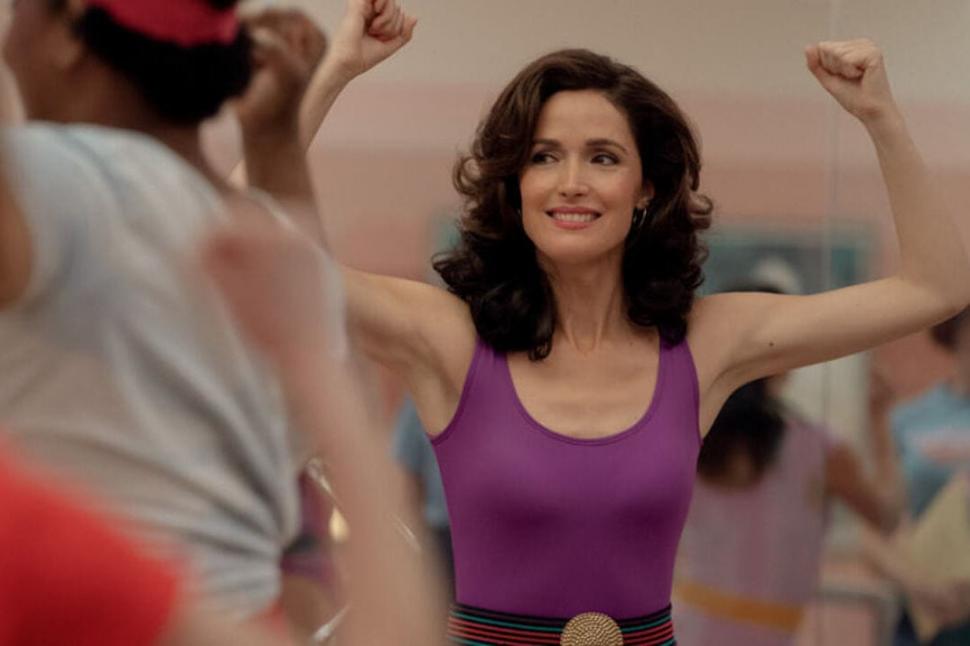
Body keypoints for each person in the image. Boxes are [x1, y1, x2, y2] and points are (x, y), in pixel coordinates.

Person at [274, 2, 970, 641]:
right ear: (516, 185)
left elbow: (935, 287)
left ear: (645, 189)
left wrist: (882, 118)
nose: (571, 181)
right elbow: (248, 243)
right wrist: (334, 72)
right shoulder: (451, 339)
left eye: (602, 157)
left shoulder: (707, 343)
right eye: (544, 157)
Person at [0, 0, 400, 619]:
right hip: (245, 617)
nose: (7, 44)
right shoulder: (282, 251)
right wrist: (275, 135)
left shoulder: (56, 179)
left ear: (70, 29)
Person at [674, 333, 904, 645]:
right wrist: (880, 421)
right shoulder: (818, 450)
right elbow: (887, 515)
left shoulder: (690, 442)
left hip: (689, 631)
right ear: (783, 364)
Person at [864, 309, 970, 645]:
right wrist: (920, 586)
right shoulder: (907, 419)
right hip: (926, 612)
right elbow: (874, 531)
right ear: (956, 332)